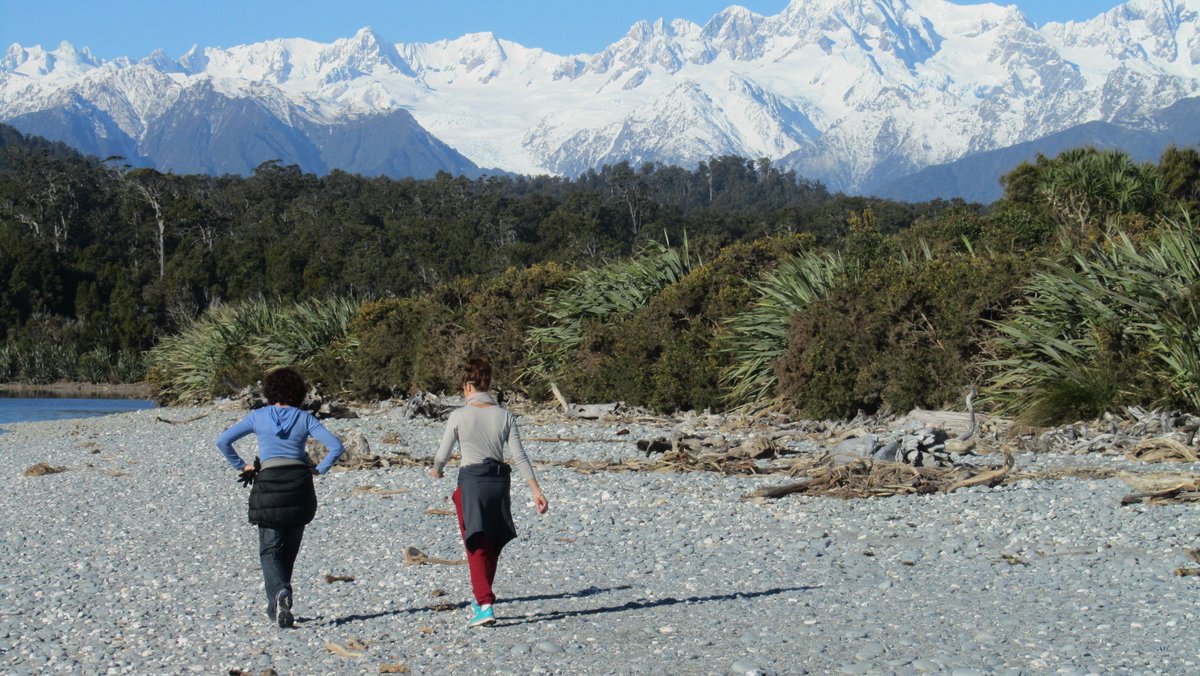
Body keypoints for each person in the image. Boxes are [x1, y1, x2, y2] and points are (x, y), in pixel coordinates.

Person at [215, 367, 345, 628]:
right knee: (289, 550)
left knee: (269, 550)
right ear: (298, 392)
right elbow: (336, 446)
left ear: (269, 391)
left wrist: (242, 466)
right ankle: (279, 601)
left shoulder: (258, 416)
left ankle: (279, 594)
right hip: (299, 486)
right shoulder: (305, 418)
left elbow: (223, 441)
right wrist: (319, 469)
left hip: (269, 485)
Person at [432, 357, 548, 627]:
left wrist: (437, 470)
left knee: (475, 542)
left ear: (468, 386)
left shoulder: (459, 415)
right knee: (492, 542)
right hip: (499, 482)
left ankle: (485, 605)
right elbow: (519, 455)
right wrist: (536, 492)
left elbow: (442, 454)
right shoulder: (505, 415)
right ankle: (481, 597)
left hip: (472, 482)